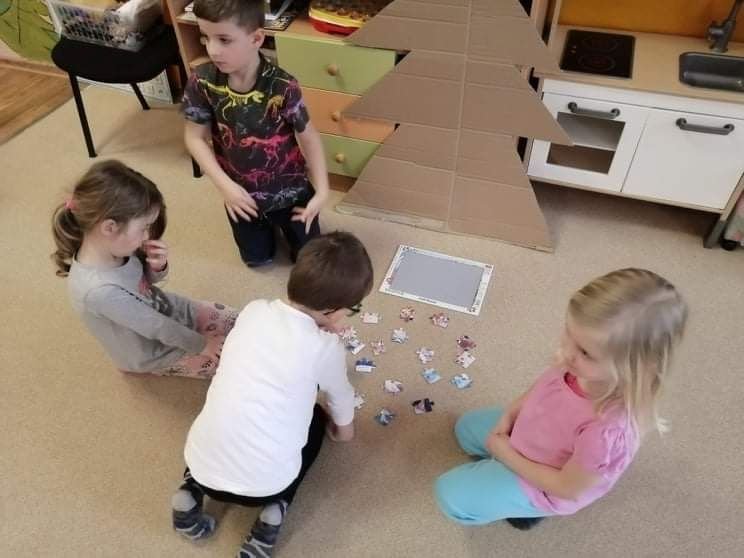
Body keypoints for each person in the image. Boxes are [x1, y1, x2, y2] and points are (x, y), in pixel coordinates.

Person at [171, 231, 373, 557]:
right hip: (267, 486)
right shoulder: (327, 348)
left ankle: (190, 489)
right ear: (335, 310)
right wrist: (344, 431)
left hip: (201, 466)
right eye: (353, 309)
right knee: (316, 421)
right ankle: (275, 511)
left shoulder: (253, 310)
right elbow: (340, 396)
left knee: (225, 413)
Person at [435, 268, 688, 529]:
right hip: (532, 432)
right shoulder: (577, 364)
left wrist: (505, 453)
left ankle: (527, 509)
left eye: (585, 352)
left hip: (547, 481)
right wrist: (510, 414)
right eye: (568, 332)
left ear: (634, 367)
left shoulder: (608, 431)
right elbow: (539, 390)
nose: (566, 353)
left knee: (449, 495)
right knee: (465, 429)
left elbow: (567, 488)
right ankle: (502, 476)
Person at [51, 160, 236, 378]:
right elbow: (157, 326)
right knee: (231, 364)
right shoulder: (100, 292)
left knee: (236, 319)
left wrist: (157, 267)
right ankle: (131, 366)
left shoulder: (117, 247)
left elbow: (143, 284)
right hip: (153, 350)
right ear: (110, 227)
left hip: (165, 308)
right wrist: (202, 345)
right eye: (143, 228)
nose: (147, 235)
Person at [183, 0, 330, 267]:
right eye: (205, 37)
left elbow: (309, 137)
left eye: (224, 40)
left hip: (292, 193)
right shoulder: (201, 81)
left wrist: (322, 191)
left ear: (256, 39)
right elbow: (194, 137)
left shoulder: (283, 86)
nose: (212, 50)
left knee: (309, 260)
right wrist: (225, 187)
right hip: (242, 197)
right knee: (257, 260)